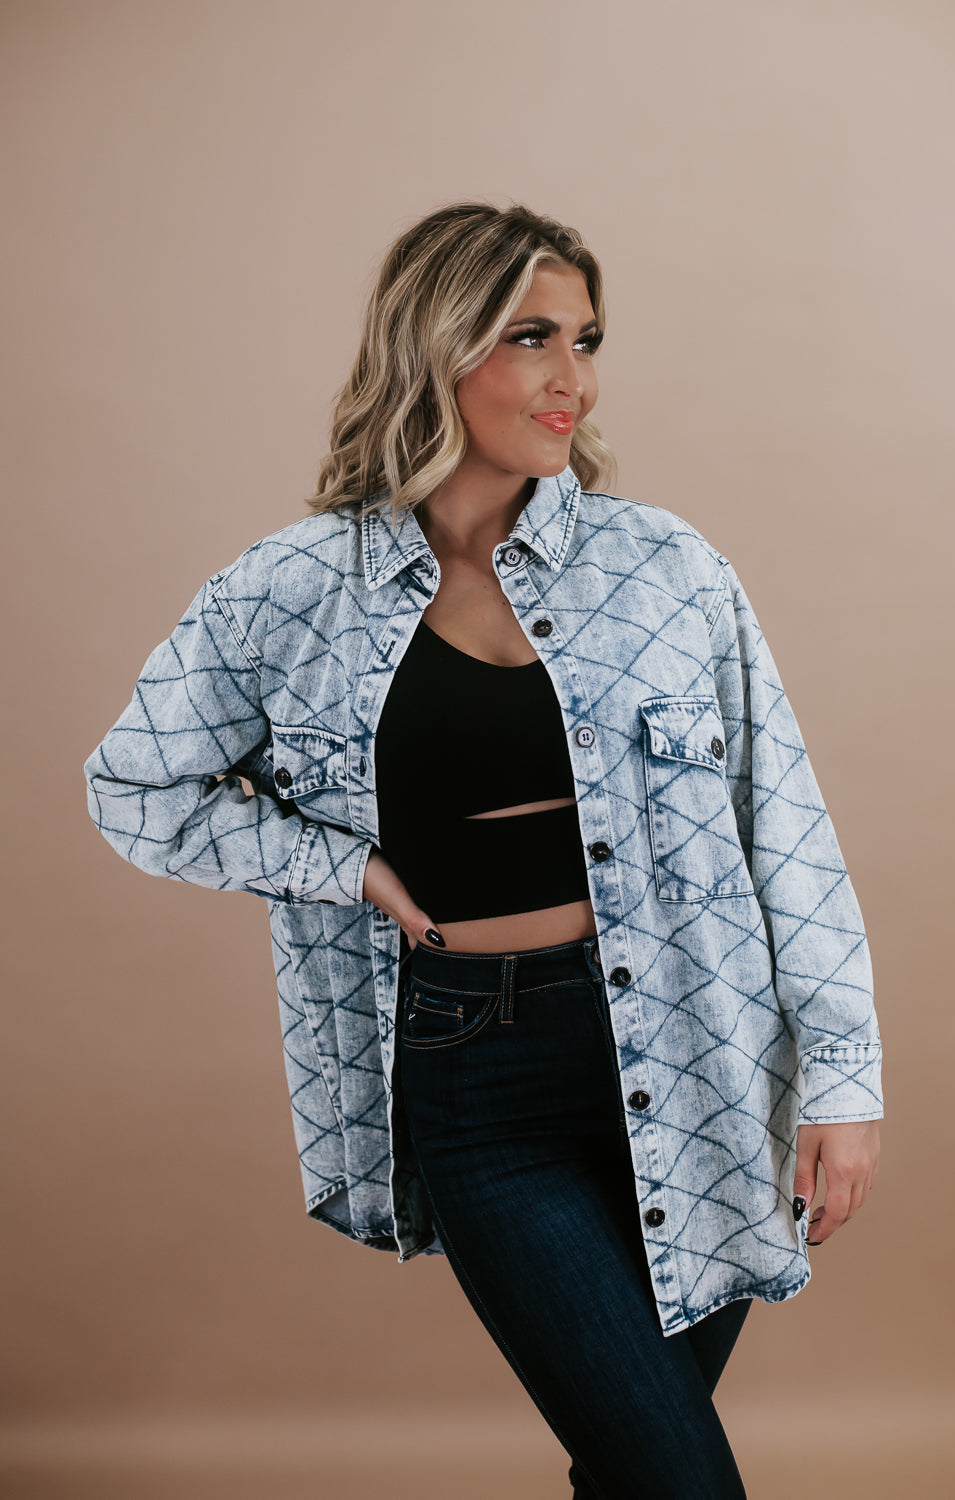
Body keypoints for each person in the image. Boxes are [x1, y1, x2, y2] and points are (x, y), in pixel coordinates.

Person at [83, 201, 883, 1498]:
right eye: (532, 338)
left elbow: (782, 825)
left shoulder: (666, 571)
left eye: (588, 339)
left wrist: (844, 1080)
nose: (576, 379)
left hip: (706, 1057)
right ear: (436, 345)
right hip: (479, 1074)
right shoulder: (294, 592)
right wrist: (338, 867)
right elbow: (135, 786)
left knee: (630, 1472)